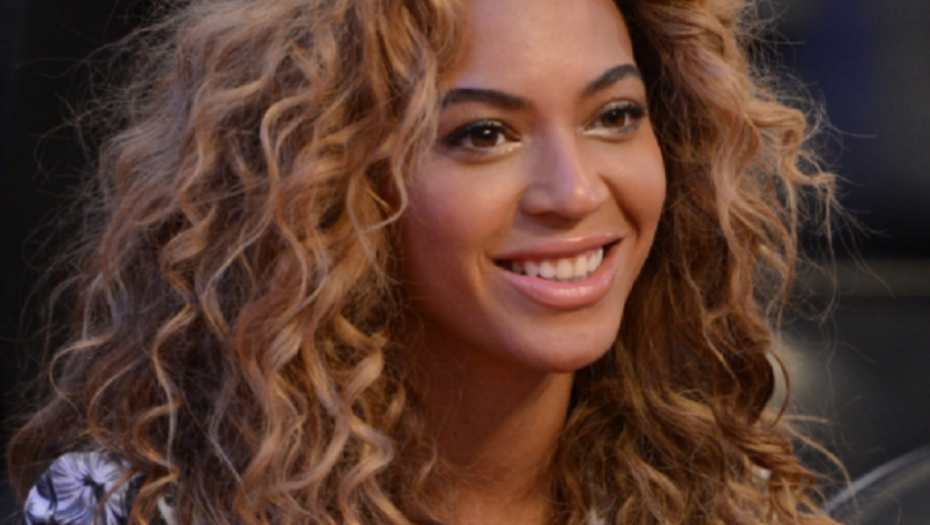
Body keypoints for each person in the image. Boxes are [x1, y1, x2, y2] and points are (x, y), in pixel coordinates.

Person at [7, 0, 840, 524]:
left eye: (615, 116)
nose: (575, 190)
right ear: (324, 185)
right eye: (483, 134)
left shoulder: (730, 498)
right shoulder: (132, 508)